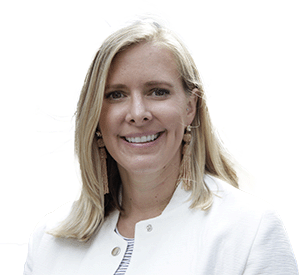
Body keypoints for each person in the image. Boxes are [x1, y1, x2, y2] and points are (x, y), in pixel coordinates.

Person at [24, 19, 298, 275]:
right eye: (116, 95)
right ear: (95, 115)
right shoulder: (49, 241)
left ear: (190, 107)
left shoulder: (250, 232)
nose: (138, 113)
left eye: (158, 91)